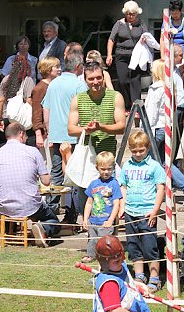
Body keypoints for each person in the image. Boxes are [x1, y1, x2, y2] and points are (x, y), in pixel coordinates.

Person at [0, 122, 60, 247]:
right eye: (26, 136)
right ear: (21, 134)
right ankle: (43, 228)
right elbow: (46, 181)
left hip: (4, 205)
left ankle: (11, 231)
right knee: (54, 220)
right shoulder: (32, 151)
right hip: (29, 205)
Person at [41, 51, 86, 224]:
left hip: (56, 134)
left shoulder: (53, 84)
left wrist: (49, 130)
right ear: (78, 67)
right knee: (73, 175)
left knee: (56, 173)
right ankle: (71, 212)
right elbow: (83, 110)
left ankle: (51, 209)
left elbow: (46, 109)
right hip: (73, 135)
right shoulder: (79, 85)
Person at [119, 131, 166, 293]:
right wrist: (123, 207)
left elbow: (160, 189)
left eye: (141, 150)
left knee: (150, 247)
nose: (138, 154)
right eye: (134, 151)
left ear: (148, 148)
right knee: (133, 247)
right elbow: (123, 187)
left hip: (147, 213)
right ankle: (139, 276)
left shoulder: (154, 166)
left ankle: (154, 278)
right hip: (130, 212)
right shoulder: (127, 166)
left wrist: (155, 210)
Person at [87, 234, 154, 312]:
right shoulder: (109, 284)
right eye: (116, 261)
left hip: (126, 311)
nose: (121, 262)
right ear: (105, 263)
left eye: (121, 258)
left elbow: (125, 283)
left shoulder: (120, 267)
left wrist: (138, 285)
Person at [67, 61, 126, 157]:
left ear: (103, 78)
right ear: (85, 80)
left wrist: (101, 127)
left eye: (98, 78)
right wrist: (86, 130)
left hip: (107, 155)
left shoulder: (115, 97)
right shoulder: (77, 99)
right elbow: (71, 130)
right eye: (91, 79)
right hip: (86, 153)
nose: (95, 82)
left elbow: (121, 127)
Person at [81, 151, 123, 264]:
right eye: (103, 169)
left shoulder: (114, 184)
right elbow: (89, 203)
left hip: (106, 222)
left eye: (109, 169)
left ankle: (106, 258)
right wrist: (85, 219)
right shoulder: (93, 184)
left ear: (113, 168)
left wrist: (110, 220)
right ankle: (91, 255)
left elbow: (116, 204)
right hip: (93, 220)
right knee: (92, 240)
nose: (106, 172)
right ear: (97, 168)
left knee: (105, 242)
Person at [106, 0, 149, 109]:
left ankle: (136, 106)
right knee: (122, 80)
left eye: (133, 14)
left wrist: (145, 39)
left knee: (135, 81)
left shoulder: (141, 23)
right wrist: (109, 55)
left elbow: (147, 36)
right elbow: (111, 39)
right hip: (121, 55)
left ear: (137, 13)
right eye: (128, 14)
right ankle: (126, 103)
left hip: (136, 55)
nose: (130, 16)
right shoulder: (119, 24)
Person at [145, 59, 184, 175]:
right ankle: (183, 183)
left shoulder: (156, 88)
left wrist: (148, 131)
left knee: (151, 160)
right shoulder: (170, 87)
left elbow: (152, 112)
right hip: (166, 127)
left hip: (156, 128)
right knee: (164, 162)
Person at [0, 52, 35, 134]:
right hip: (22, 118)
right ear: (27, 66)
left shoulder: (6, 79)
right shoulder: (28, 80)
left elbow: (1, 100)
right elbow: (29, 100)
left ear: (13, 66)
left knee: (10, 140)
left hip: (8, 117)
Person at [30, 56, 61, 149]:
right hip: (46, 134)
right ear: (48, 70)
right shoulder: (39, 88)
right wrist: (38, 134)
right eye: (57, 67)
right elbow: (36, 112)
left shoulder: (56, 85)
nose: (60, 69)